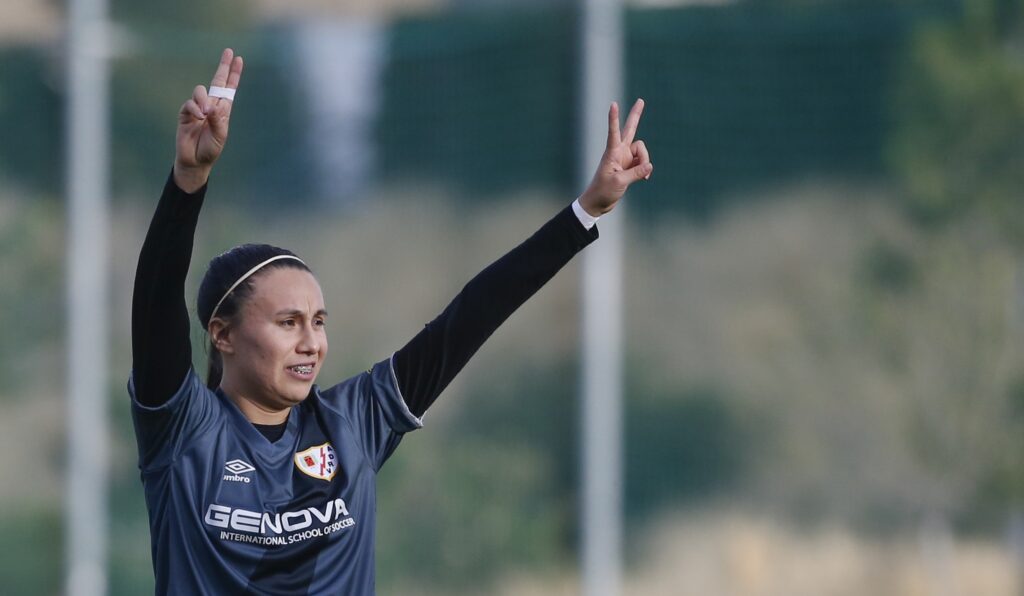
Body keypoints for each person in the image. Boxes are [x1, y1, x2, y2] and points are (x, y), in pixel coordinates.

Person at [130, 48, 653, 595]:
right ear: (223, 334)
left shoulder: (354, 422)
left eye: (319, 321)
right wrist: (189, 180)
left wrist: (584, 213)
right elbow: (157, 299)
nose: (312, 342)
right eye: (288, 323)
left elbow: (472, 315)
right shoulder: (184, 432)